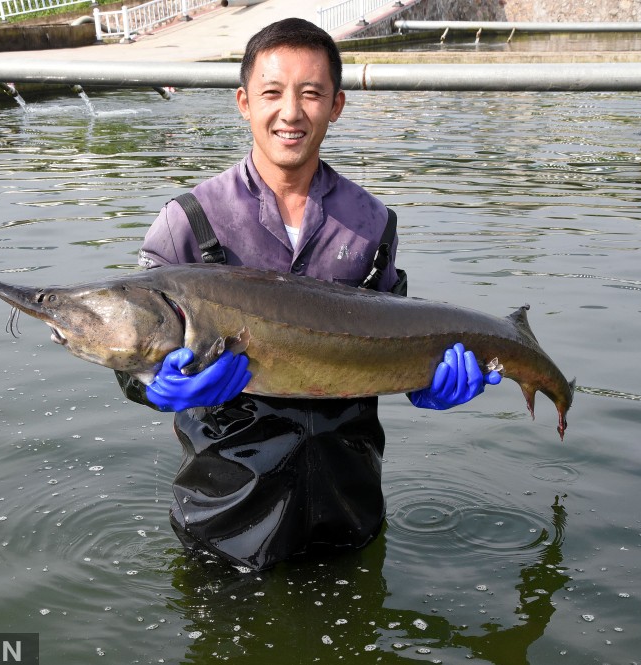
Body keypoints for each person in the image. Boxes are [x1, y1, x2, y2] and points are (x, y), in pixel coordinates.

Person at [116, 18, 500, 571]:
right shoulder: (188, 222)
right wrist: (153, 385)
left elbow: (399, 328)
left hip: (350, 509)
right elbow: (128, 355)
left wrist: (425, 380)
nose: (291, 112)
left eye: (311, 93)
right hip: (226, 516)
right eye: (272, 93)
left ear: (337, 104)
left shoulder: (372, 223)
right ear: (244, 103)